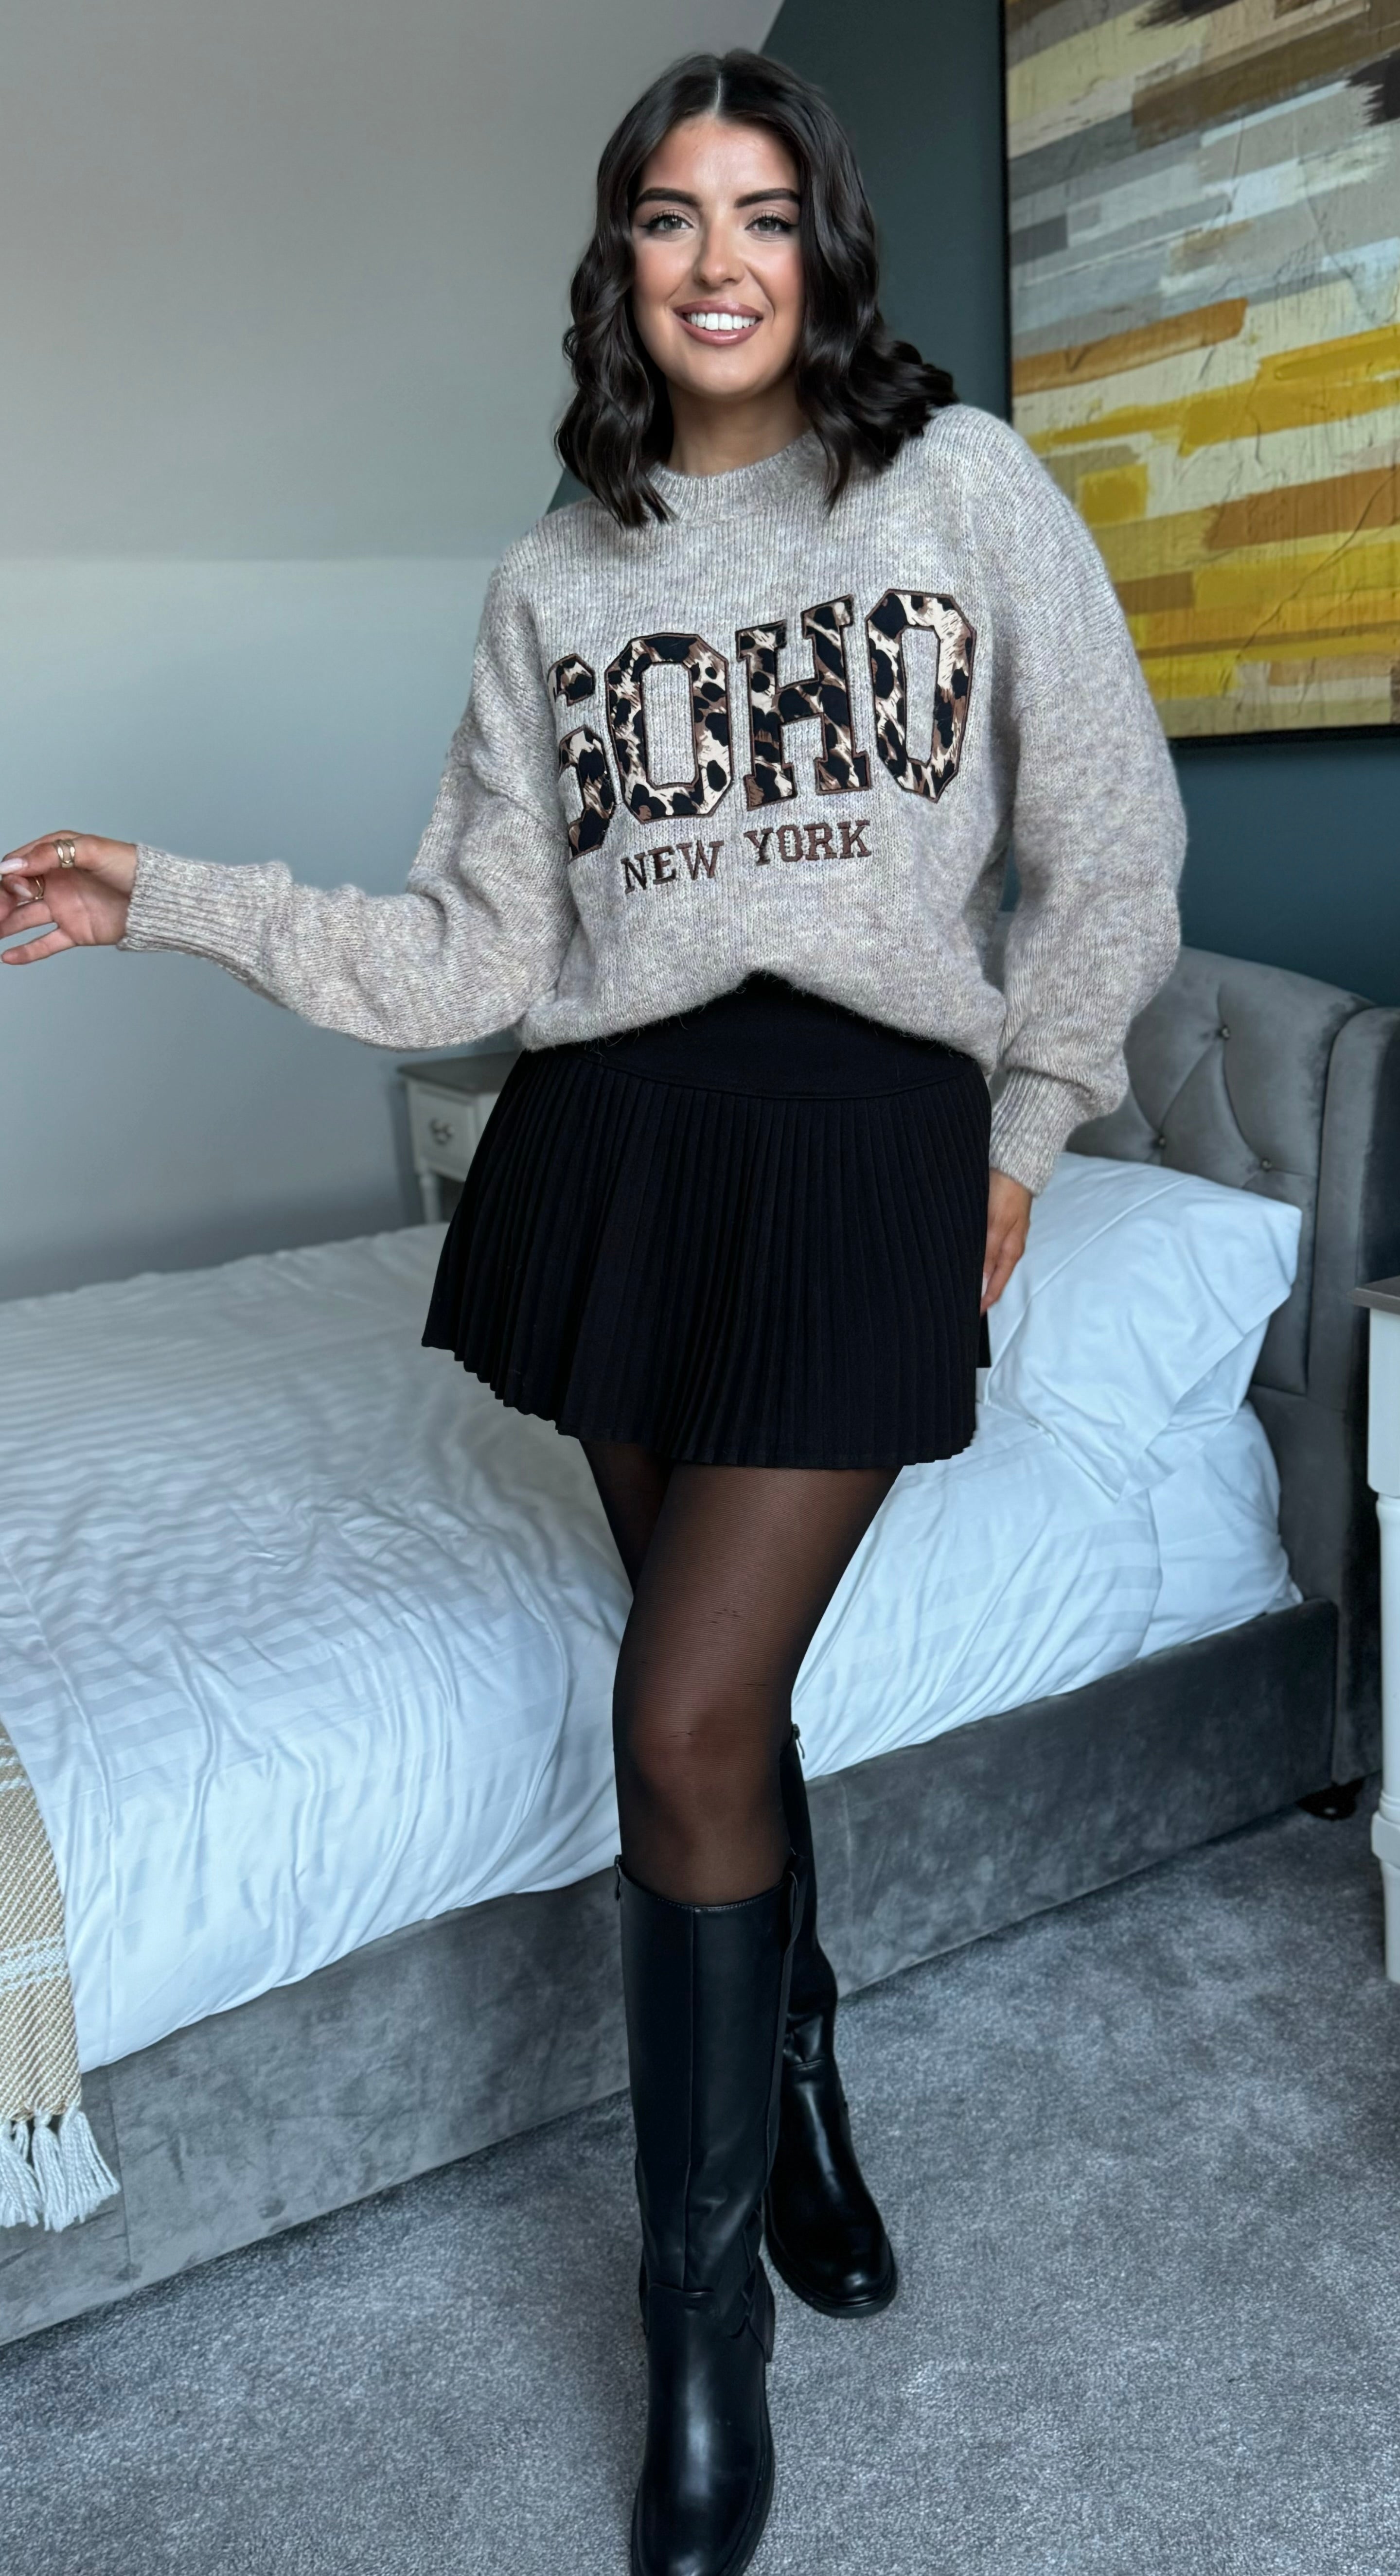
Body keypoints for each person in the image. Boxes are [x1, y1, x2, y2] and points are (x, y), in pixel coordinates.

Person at [0, 48, 1184, 2576]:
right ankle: (800, 2083)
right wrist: (167, 900)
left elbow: (1108, 841)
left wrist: (1023, 1136)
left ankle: (695, 2339)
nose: (717, 259)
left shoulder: (957, 488)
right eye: (670, 215)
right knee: (714, 1702)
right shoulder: (562, 568)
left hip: (862, 1143)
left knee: (674, 1712)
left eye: (762, 211)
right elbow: (472, 950)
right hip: (620, 1151)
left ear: (822, 244)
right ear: (620, 261)